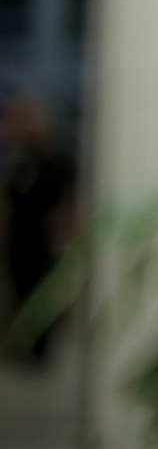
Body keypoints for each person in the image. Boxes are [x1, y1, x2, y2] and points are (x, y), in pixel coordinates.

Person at [1, 90, 77, 365]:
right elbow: (9, 197)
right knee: (19, 290)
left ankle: (39, 349)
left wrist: (64, 232)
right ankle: (23, 345)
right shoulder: (18, 159)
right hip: (20, 239)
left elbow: (68, 200)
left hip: (45, 240)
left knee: (42, 293)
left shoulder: (57, 160)